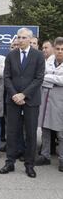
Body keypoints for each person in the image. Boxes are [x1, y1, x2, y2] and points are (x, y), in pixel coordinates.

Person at [0, 28, 45, 178]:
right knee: (12, 132)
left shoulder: (38, 55)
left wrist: (24, 94)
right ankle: (10, 162)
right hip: (13, 100)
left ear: (30, 39)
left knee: (31, 133)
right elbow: (7, 77)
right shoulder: (11, 55)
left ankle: (29, 165)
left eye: (24, 37)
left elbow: (39, 78)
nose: (20, 40)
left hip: (31, 99)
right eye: (18, 37)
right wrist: (14, 95)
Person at [35, 37, 63, 172]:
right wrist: (55, 80)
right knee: (45, 130)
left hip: (60, 103)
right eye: (57, 49)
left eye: (62, 49)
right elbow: (40, 77)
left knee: (61, 133)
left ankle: (62, 159)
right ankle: (45, 155)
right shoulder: (49, 61)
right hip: (46, 100)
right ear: (54, 49)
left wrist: (49, 78)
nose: (60, 51)